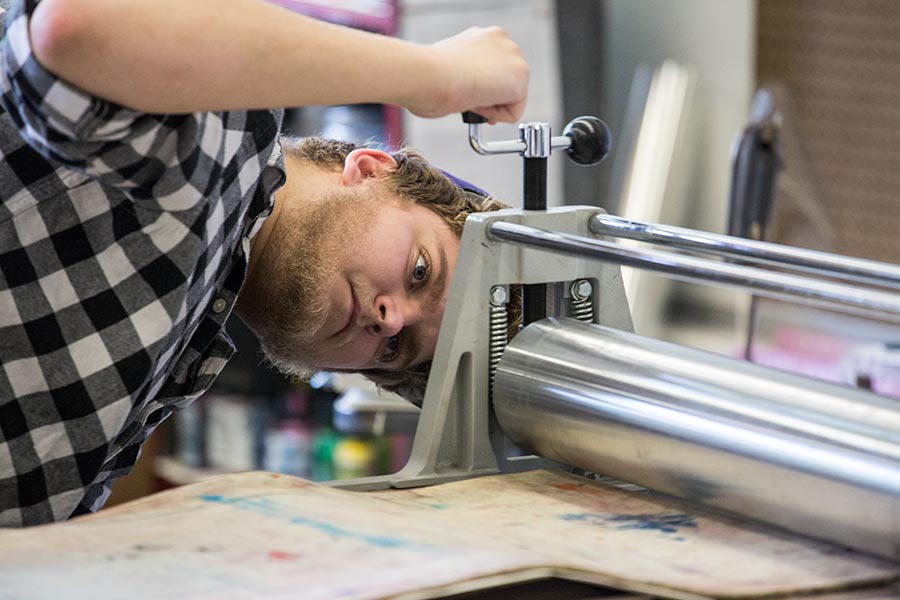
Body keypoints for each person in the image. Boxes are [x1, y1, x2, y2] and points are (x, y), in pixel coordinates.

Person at [0, 0, 528, 526]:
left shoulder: (189, 336)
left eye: (395, 347)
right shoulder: (226, 150)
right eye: (421, 272)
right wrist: (439, 76)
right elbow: (80, 25)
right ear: (371, 170)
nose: (389, 320)